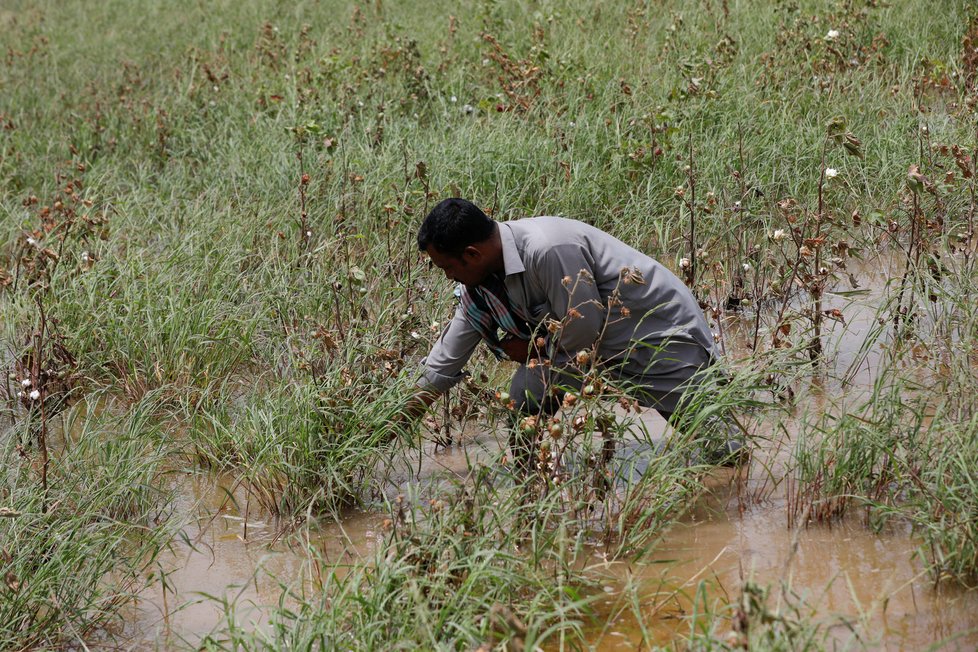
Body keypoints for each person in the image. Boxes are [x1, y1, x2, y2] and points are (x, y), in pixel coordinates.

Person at [403, 198, 741, 469]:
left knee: (724, 447)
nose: (448, 277)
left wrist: (532, 349)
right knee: (523, 400)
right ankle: (531, 484)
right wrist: (390, 422)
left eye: (447, 267)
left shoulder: (547, 249)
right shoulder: (480, 288)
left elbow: (582, 327)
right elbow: (441, 366)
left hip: (655, 332)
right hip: (583, 348)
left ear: (472, 254)